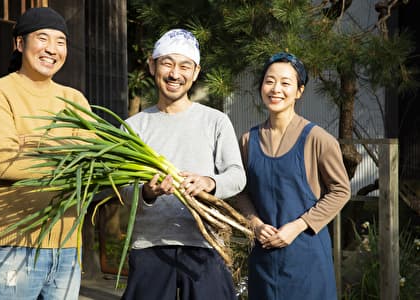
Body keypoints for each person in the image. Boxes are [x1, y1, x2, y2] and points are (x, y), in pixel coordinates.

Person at [120, 29, 246, 300]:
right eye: (167, 63)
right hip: (150, 245)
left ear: (196, 71)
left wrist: (209, 182)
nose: (175, 74)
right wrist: (147, 192)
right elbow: (121, 189)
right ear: (152, 65)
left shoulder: (215, 121)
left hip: (205, 245)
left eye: (184, 66)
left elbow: (236, 176)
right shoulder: (132, 128)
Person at [0, 7, 92, 299]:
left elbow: (92, 161)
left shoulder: (75, 99)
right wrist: (69, 151)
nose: (52, 49)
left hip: (67, 243)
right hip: (14, 243)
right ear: (20, 43)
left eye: (60, 42)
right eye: (42, 38)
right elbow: (5, 164)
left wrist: (32, 144)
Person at [236, 52, 351, 300]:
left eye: (286, 83)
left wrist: (297, 226)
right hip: (264, 259)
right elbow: (240, 191)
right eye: (269, 81)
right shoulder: (248, 140)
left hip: (307, 257)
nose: (276, 89)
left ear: (299, 91)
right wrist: (255, 225)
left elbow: (341, 191)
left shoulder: (317, 139)